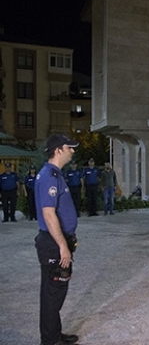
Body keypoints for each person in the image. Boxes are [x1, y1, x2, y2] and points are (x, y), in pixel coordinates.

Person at [34, 134, 80, 345]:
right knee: (54, 293)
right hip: (54, 244)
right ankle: (51, 341)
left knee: (54, 293)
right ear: (59, 150)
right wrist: (63, 246)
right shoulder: (49, 176)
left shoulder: (55, 174)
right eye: (70, 148)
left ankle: (53, 335)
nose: (73, 151)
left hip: (57, 242)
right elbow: (48, 213)